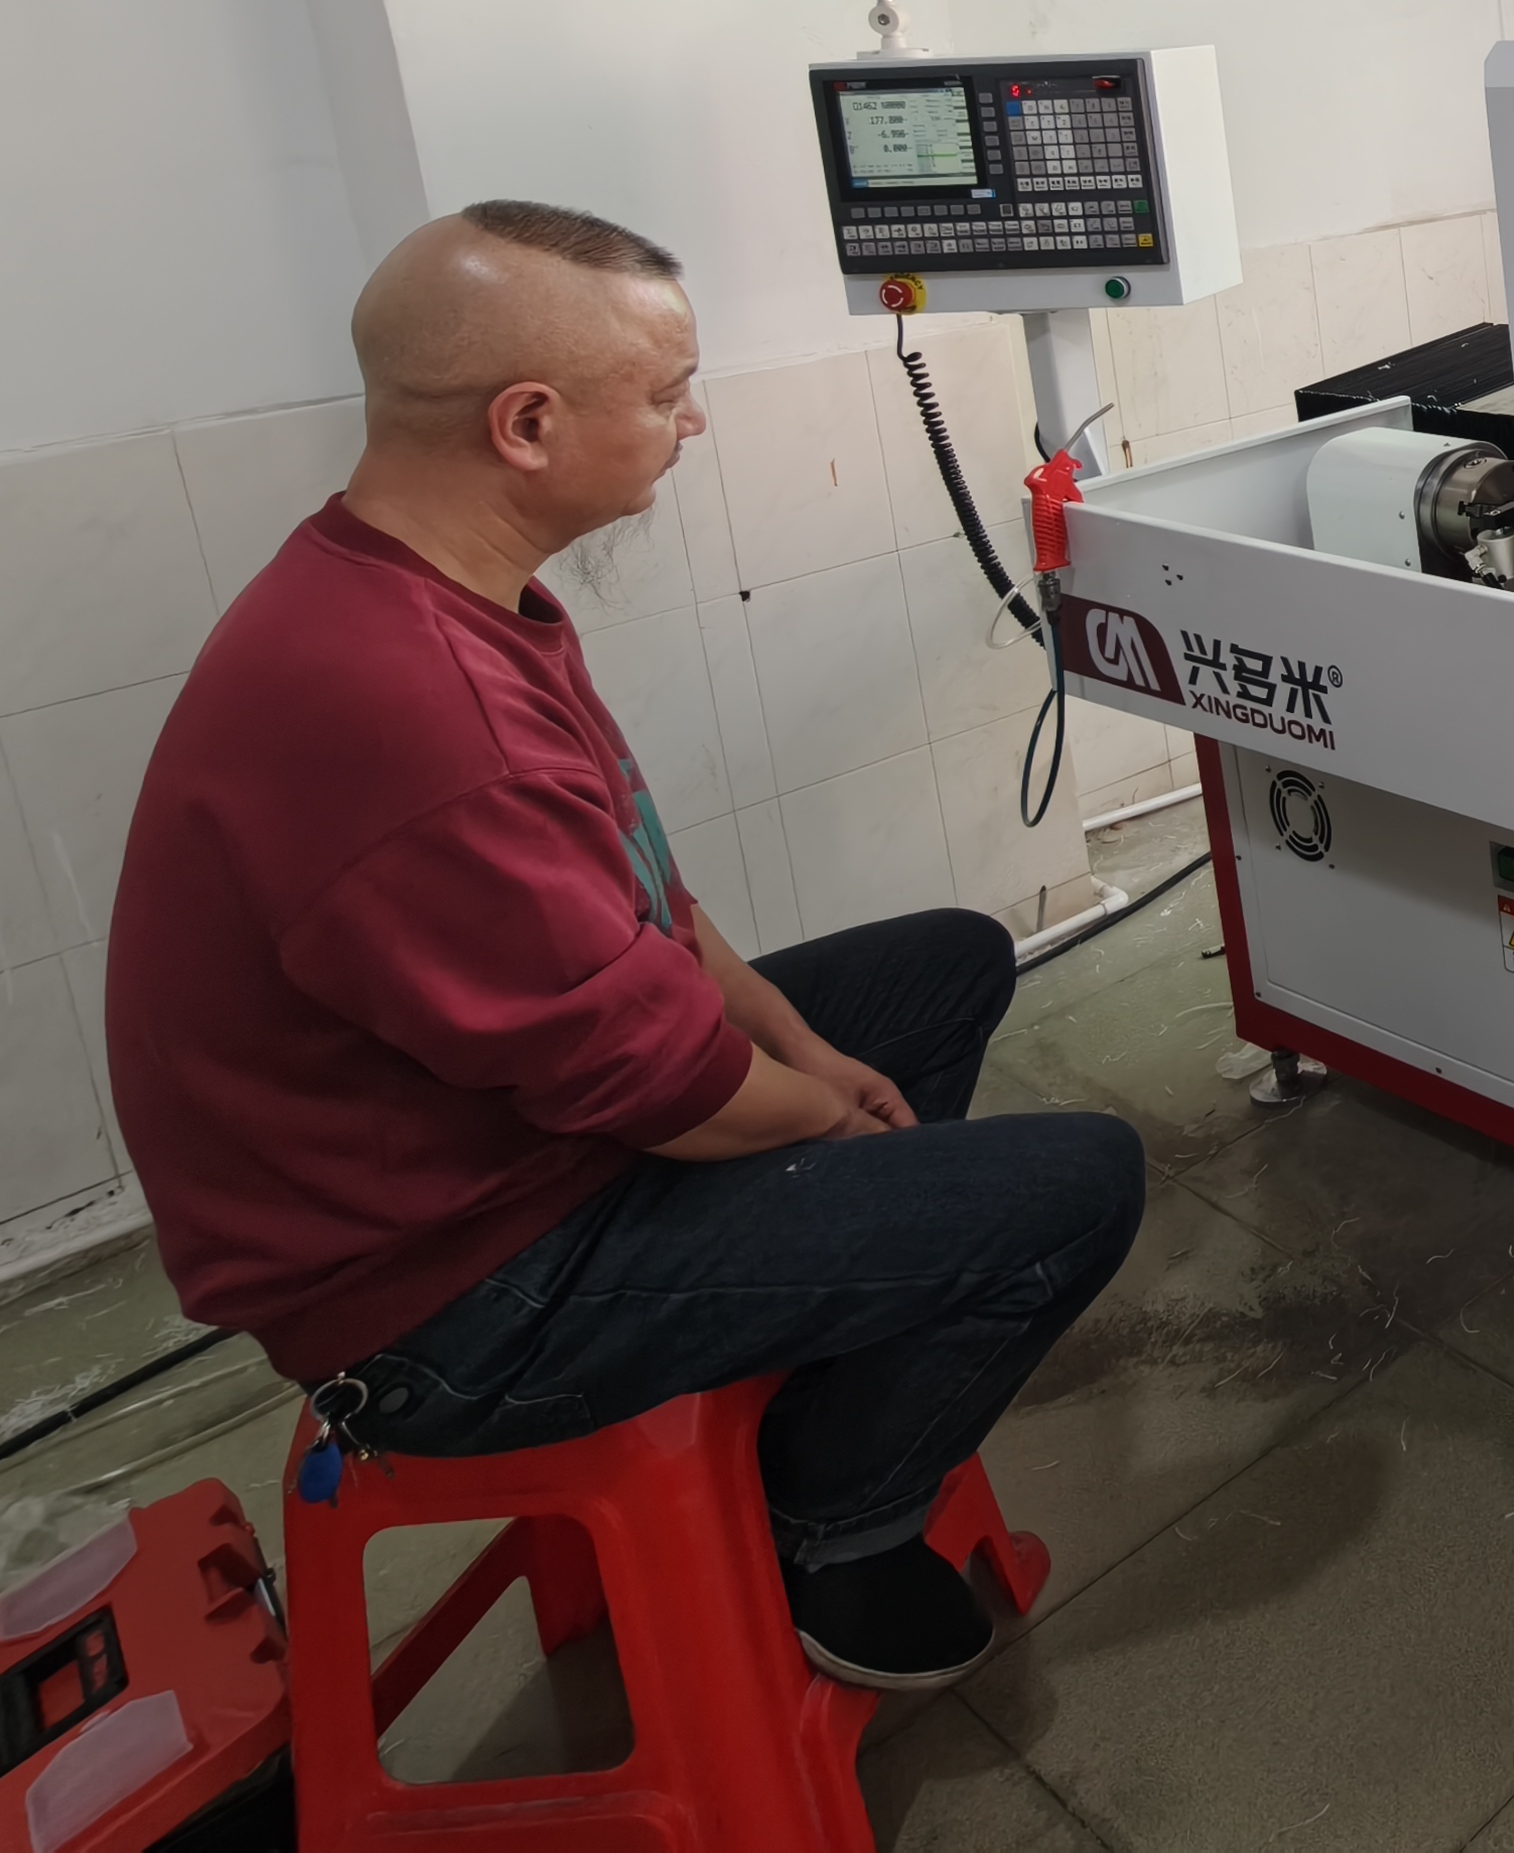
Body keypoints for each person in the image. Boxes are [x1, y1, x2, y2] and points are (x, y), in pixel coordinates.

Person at [106, 200, 1144, 1690]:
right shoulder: (416, 707)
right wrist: (821, 1120)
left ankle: (827, 1357)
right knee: (1078, 1186)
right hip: (450, 1303)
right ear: (527, 425)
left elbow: (646, 893)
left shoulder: (445, 592)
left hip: (505, 1145)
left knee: (947, 964)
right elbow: (658, 1087)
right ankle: (831, 1523)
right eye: (666, 394)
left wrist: (808, 1053)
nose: (693, 423)